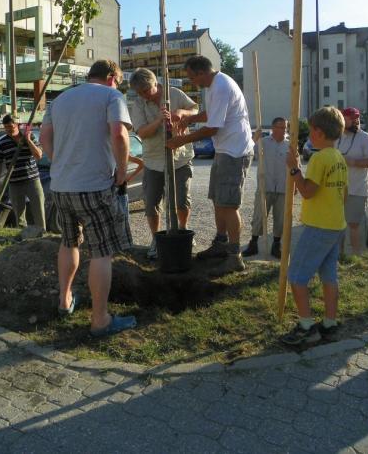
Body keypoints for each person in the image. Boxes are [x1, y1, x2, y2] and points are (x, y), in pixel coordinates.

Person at [40, 59, 136, 337]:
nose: (117, 85)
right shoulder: (111, 95)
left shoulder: (60, 99)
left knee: (69, 241)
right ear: (110, 77)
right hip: (94, 186)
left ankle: (64, 300)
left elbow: (45, 136)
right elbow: (119, 134)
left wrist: (59, 162)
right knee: (102, 252)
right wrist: (121, 171)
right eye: (117, 80)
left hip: (61, 186)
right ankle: (100, 319)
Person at [166, 55, 254, 271]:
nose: (192, 82)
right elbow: (211, 115)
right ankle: (221, 243)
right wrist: (190, 118)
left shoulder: (221, 86)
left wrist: (180, 140)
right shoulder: (213, 85)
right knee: (218, 200)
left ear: (201, 73)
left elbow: (213, 127)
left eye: (192, 78)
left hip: (235, 151)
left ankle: (235, 256)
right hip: (225, 150)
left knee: (229, 205)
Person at [281, 106, 347, 346]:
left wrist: (294, 168)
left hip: (319, 226)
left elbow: (307, 192)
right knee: (329, 275)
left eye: (310, 130)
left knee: (297, 276)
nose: (308, 134)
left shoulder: (320, 158)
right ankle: (330, 323)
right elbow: (343, 193)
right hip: (335, 224)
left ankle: (307, 327)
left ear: (318, 132)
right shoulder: (338, 157)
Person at [130, 68, 198, 259]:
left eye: (147, 91)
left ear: (155, 84)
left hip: (180, 158)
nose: (145, 95)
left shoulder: (174, 93)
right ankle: (156, 240)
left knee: (182, 201)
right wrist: (159, 120)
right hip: (153, 160)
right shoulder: (138, 104)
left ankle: (184, 231)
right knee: (151, 203)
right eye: (140, 93)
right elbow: (142, 132)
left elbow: (195, 108)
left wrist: (181, 112)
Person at [243, 117, 289, 259]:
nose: (283, 130)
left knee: (280, 219)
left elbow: (296, 164)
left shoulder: (290, 145)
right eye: (281, 127)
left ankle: (276, 245)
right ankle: (253, 243)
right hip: (265, 186)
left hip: (282, 187)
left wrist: (294, 187)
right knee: (259, 216)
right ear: (273, 128)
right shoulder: (263, 143)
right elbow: (248, 153)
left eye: (285, 128)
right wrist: (254, 139)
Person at [336, 107, 368, 254]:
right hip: (337, 189)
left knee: (353, 224)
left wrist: (353, 162)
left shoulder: (365, 137)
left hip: (358, 189)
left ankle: (356, 257)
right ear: (343, 120)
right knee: (337, 224)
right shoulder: (337, 137)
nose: (356, 121)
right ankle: (339, 256)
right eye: (352, 118)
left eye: (357, 118)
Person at [0, 114, 46, 233]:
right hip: (14, 182)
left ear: (17, 125)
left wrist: (27, 140)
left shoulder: (29, 136)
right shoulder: (2, 143)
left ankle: (41, 233)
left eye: (10, 126)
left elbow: (38, 156)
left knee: (39, 209)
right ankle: (23, 236)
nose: (8, 129)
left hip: (32, 180)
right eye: (5, 127)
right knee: (19, 213)